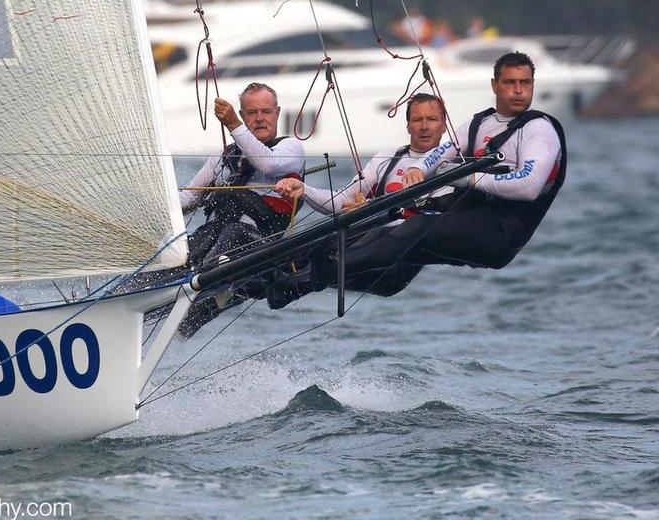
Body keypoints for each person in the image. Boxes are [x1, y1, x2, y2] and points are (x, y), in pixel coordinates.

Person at [269, 51, 566, 306]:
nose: (517, 90)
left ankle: (310, 277)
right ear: (494, 85)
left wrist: (468, 179)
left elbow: (528, 187)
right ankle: (271, 279)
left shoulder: (539, 130)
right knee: (371, 233)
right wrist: (420, 170)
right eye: (510, 82)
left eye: (524, 83)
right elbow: (442, 153)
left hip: (501, 234)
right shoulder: (477, 123)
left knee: (416, 226)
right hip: (469, 218)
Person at [266, 93, 449, 308]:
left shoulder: (453, 166)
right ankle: (251, 284)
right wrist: (303, 189)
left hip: (396, 264)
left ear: (444, 125)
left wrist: (371, 207)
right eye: (417, 120)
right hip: (361, 247)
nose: (425, 126)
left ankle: (293, 284)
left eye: (432, 119)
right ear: (408, 126)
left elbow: (437, 215)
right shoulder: (388, 159)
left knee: (355, 237)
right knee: (300, 249)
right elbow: (341, 202)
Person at [178, 82, 305, 335]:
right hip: (214, 240)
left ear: (277, 113)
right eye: (251, 113)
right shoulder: (223, 156)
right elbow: (189, 198)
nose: (260, 119)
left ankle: (209, 295)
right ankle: (123, 301)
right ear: (244, 114)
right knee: (183, 251)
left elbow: (266, 165)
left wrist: (233, 124)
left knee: (233, 234)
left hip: (255, 244)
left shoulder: (290, 148)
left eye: (266, 112)